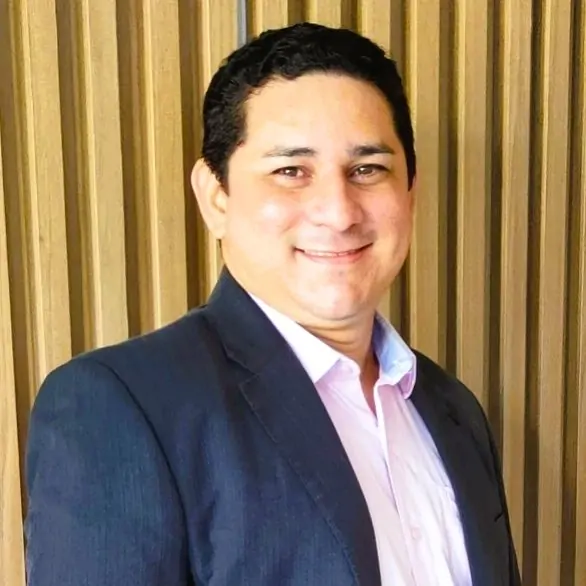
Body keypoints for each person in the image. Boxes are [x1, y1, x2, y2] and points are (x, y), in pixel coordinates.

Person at [25, 22, 520, 586]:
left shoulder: (454, 411)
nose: (338, 211)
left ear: (410, 192)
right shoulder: (122, 408)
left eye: (367, 169)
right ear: (216, 197)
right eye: (290, 171)